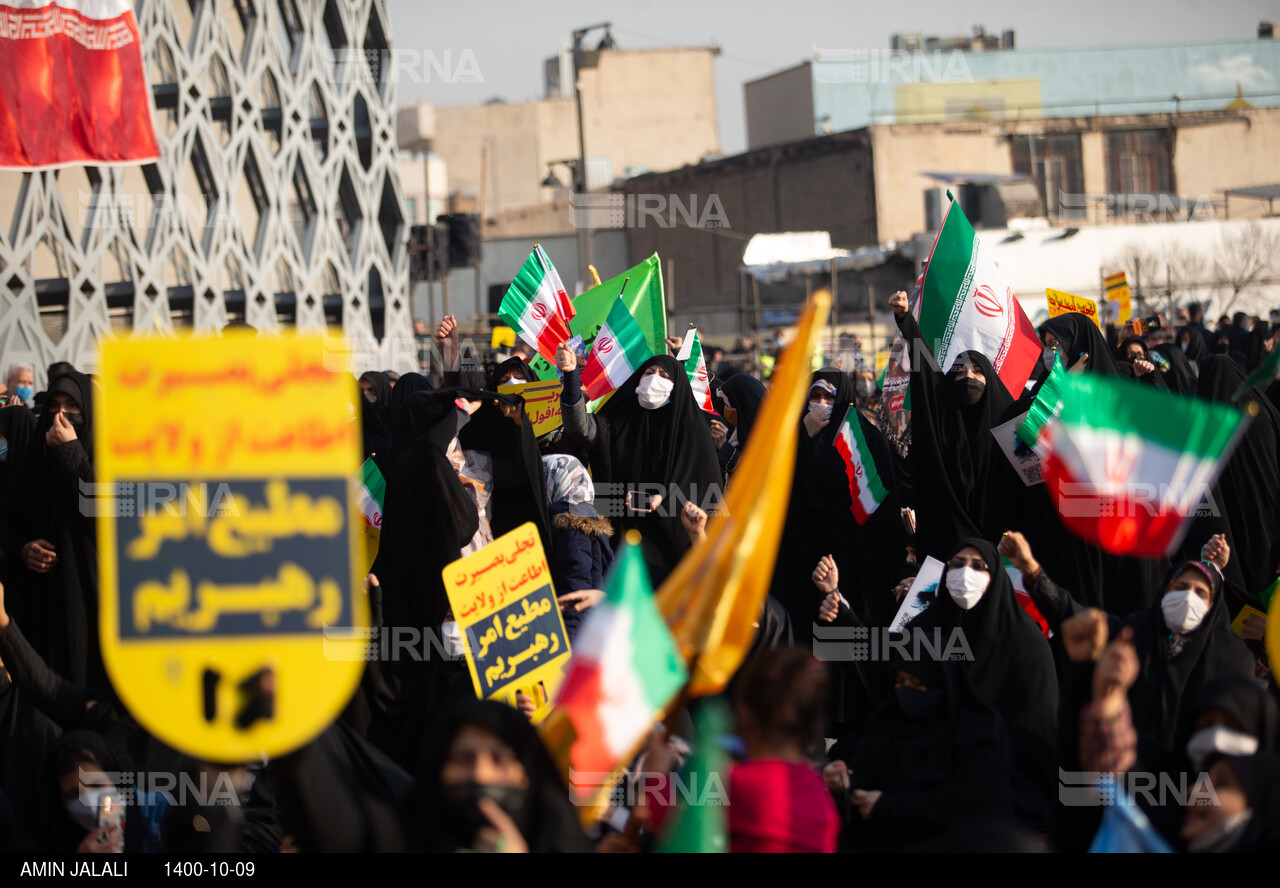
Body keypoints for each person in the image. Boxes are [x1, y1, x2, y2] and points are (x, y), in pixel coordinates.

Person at [902, 538, 1058, 833]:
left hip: (1003, 798)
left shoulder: (1025, 645)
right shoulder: (930, 627)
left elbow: (1036, 740)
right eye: (957, 564)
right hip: (929, 784)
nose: (965, 573)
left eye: (978, 566)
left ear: (996, 576)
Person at [555, 347, 721, 584]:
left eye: (664, 376)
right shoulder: (616, 421)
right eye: (649, 373)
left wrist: (664, 498)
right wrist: (571, 376)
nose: (655, 379)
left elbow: (706, 491)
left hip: (672, 547)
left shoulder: (691, 431)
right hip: (622, 540)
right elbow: (579, 426)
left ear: (677, 386)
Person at [825, 655, 1014, 852]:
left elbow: (965, 804)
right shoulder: (886, 719)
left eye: (916, 683)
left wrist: (889, 808)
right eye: (900, 682)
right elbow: (865, 768)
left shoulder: (979, 731)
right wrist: (847, 780)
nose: (906, 691)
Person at [890, 290, 1012, 562]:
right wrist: (905, 319)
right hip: (948, 545)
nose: (968, 376)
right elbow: (925, 369)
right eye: (960, 371)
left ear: (989, 379)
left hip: (999, 546)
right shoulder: (943, 417)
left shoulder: (1006, 418)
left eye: (977, 371)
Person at [11, 372, 102, 689]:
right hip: (44, 611)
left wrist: (72, 454)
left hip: (94, 608)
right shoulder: (32, 465)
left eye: (72, 406)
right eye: (55, 406)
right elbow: (12, 522)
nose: (61, 416)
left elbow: (109, 513)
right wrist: (23, 548)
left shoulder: (108, 461)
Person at [412, 699, 591, 852]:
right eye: (463, 759)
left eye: (500, 760)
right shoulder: (396, 834)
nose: (480, 774)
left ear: (527, 772)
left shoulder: (562, 840)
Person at [729, 648, 839, 853]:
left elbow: (665, 816)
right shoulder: (821, 795)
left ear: (744, 716)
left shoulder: (733, 783)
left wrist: (658, 773)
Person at [541, 454, 611, 642]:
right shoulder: (584, 517)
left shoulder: (570, 526)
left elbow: (575, 591)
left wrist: (568, 644)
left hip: (578, 633)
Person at [713, 374, 766, 479]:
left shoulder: (767, 438)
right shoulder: (741, 429)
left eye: (729, 406)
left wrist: (725, 447)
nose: (726, 410)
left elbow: (752, 474)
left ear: (742, 407)